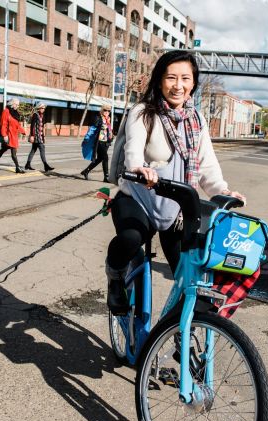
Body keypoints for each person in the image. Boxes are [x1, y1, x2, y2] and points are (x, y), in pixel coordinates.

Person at [103, 50, 246, 314]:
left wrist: (223, 191)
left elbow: (207, 166)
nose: (177, 85)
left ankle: (178, 330)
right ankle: (115, 277)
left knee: (188, 273)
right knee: (131, 238)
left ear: (193, 82)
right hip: (139, 198)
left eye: (185, 79)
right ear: (160, 80)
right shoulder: (143, 112)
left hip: (176, 209)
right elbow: (133, 152)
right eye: (171, 78)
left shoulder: (197, 120)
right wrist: (140, 169)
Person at [0, 98, 26, 173]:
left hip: (14, 135)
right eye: (16, 104)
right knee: (13, 152)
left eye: (18, 105)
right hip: (8, 135)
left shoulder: (15, 113)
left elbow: (17, 125)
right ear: (12, 104)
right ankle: (17, 167)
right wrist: (4, 135)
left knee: (3, 150)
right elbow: (3, 124)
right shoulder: (6, 111)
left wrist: (23, 132)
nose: (17, 106)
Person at [80, 104, 113, 181]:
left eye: (108, 111)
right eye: (105, 110)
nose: (107, 112)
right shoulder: (98, 118)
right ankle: (106, 177)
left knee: (100, 158)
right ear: (102, 110)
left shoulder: (108, 119)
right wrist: (86, 138)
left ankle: (86, 171)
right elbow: (92, 129)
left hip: (106, 142)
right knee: (105, 157)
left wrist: (111, 135)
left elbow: (108, 130)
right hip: (99, 141)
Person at [25, 102, 54, 172]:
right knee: (42, 148)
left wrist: (43, 137)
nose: (43, 109)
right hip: (36, 136)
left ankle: (27, 164)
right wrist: (32, 135)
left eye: (44, 108)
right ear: (39, 108)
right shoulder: (35, 114)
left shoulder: (42, 115)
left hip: (40, 136)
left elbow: (41, 127)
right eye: (42, 108)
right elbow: (32, 126)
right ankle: (46, 165)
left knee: (33, 150)